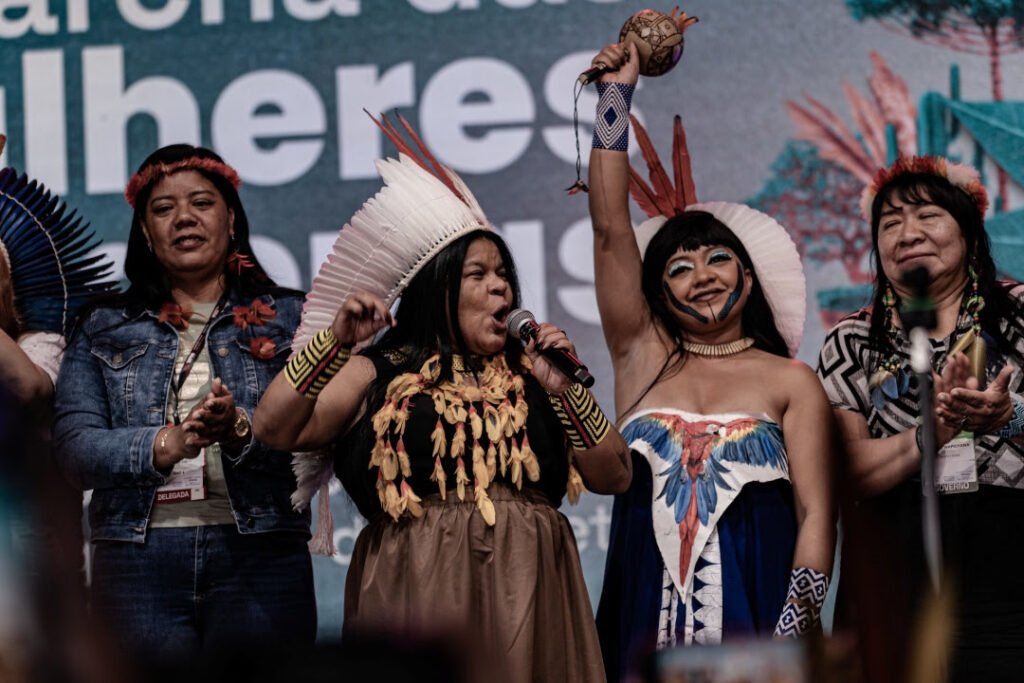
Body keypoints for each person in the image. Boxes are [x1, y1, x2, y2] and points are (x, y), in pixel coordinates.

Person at [254, 115, 631, 683]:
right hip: (418, 581)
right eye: (477, 274)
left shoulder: (536, 373)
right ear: (437, 290)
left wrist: (567, 392)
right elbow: (273, 428)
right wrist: (335, 342)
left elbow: (615, 475)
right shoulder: (376, 370)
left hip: (531, 581)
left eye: (504, 274)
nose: (500, 285)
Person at [583, 44, 835, 679]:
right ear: (659, 291)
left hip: (762, 620)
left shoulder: (790, 381)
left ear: (748, 278)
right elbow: (611, 228)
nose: (701, 275)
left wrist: (793, 633)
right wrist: (616, 96)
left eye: (717, 258)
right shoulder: (644, 360)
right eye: (679, 266)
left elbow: (816, 515)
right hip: (644, 614)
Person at [52, 144, 316, 661]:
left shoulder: (292, 318)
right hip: (137, 561)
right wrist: (163, 444)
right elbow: (73, 450)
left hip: (261, 552)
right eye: (163, 209)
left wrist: (239, 428)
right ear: (146, 233)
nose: (184, 218)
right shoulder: (103, 323)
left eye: (202, 202)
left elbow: (317, 443)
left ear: (232, 220)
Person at [817, 155, 1024, 681]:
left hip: (1010, 556)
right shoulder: (851, 340)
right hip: (894, 561)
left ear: (969, 232)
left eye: (927, 216)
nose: (907, 234)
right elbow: (849, 470)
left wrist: (1010, 413)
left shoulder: (1021, 312)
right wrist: (928, 432)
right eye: (889, 223)